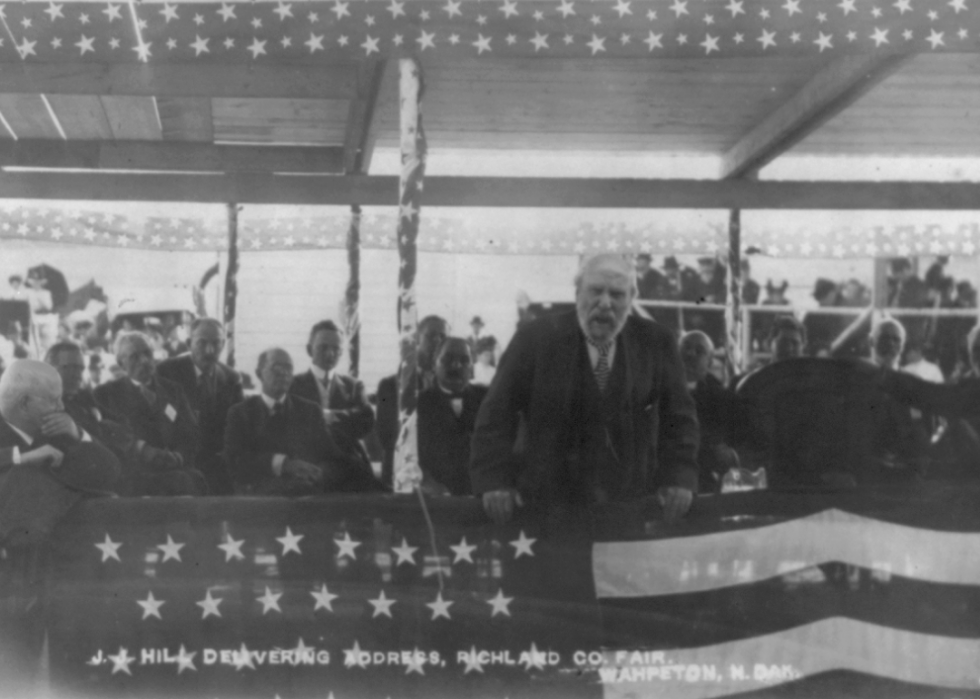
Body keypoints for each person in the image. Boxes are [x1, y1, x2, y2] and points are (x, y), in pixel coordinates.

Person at [470, 253, 699, 525]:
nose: (605, 303)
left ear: (631, 298)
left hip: (629, 508)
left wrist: (678, 477)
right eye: (596, 291)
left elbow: (680, 419)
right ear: (578, 292)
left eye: (617, 294)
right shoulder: (535, 338)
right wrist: (495, 481)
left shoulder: (656, 341)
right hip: (547, 509)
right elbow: (496, 414)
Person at [225, 348, 383, 495]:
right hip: (260, 504)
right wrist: (284, 464)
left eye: (289, 368)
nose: (284, 373)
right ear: (259, 373)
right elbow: (236, 462)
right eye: (277, 368)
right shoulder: (240, 413)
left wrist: (318, 473)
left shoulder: (309, 411)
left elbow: (331, 456)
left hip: (303, 501)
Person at [94, 332, 204, 495]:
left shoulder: (172, 390)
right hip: (135, 474)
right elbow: (108, 437)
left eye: (147, 353)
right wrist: (143, 452)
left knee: (195, 481)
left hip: (174, 469)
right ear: (121, 363)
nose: (144, 361)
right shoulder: (106, 394)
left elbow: (191, 431)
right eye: (134, 357)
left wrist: (179, 456)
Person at [156, 318, 244, 494]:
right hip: (178, 463)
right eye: (202, 343)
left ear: (223, 344)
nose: (210, 350)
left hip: (217, 466)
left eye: (216, 343)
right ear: (189, 343)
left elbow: (237, 430)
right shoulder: (167, 372)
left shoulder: (231, 379)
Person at [289, 320, 375, 475]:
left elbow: (366, 419)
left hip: (349, 463)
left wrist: (332, 416)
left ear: (342, 352)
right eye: (323, 347)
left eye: (336, 349)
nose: (330, 354)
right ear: (309, 350)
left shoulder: (353, 386)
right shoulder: (293, 385)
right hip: (308, 463)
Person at [375, 315, 450, 486]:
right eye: (431, 336)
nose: (438, 341)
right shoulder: (391, 386)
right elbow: (387, 435)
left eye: (443, 337)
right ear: (417, 338)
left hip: (444, 476)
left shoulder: (453, 383)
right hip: (403, 471)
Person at [417, 338, 489, 496]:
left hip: (482, 498)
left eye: (464, 360)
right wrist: (426, 482)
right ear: (434, 364)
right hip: (435, 502)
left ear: (471, 367)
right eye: (448, 359)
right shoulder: (419, 404)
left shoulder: (487, 399)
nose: (456, 366)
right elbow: (411, 456)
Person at [679, 331, 739, 494]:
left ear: (710, 362)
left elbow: (724, 444)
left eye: (700, 351)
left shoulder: (720, 397)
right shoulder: (654, 385)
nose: (690, 354)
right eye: (686, 347)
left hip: (701, 478)